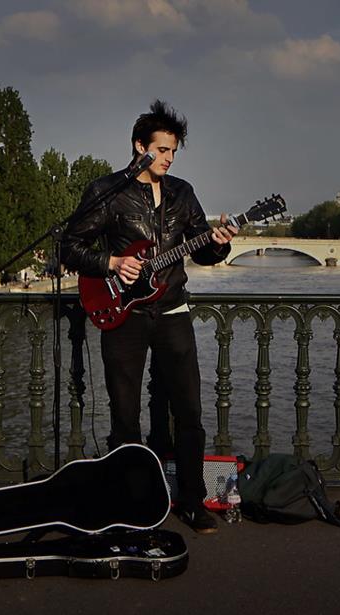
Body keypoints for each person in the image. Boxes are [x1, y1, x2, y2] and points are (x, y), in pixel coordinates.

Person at [61, 100, 237, 534]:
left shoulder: (183, 193)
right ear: (139, 147)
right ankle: (129, 502)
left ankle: (193, 502)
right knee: (125, 416)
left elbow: (206, 252)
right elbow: (69, 247)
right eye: (161, 150)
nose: (168, 158)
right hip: (123, 315)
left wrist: (219, 242)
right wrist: (112, 263)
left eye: (174, 152)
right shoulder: (109, 192)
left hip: (173, 311)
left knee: (189, 412)